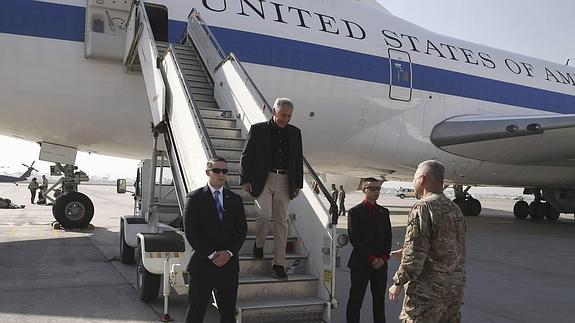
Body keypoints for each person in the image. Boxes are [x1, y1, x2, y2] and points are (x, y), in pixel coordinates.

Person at [389, 160, 466, 323]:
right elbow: (452, 248)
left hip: (428, 294)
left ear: (422, 179)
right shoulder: (455, 208)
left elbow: (414, 254)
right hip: (453, 291)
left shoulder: (423, 207)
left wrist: (398, 281)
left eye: (414, 177)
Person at [240, 97, 303, 280]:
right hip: (263, 179)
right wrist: (245, 179)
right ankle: (259, 244)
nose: (286, 119)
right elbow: (247, 155)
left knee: (282, 223)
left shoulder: (295, 133)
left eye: (289, 116)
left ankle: (279, 264)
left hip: (285, 180)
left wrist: (297, 184)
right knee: (265, 215)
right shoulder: (258, 130)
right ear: (274, 112)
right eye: (283, 115)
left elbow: (298, 159)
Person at [184, 157, 248, 323]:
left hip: (228, 266)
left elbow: (242, 230)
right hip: (202, 264)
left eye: (224, 171)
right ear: (208, 173)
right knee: (195, 313)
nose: (221, 174)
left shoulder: (235, 200)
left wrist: (228, 253)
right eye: (217, 171)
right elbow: (191, 232)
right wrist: (212, 255)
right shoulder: (194, 198)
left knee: (228, 314)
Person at [346, 177, 392, 323]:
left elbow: (388, 238)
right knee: (356, 300)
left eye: (377, 188)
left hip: (380, 265)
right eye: (372, 188)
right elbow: (355, 239)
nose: (375, 191)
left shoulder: (384, 212)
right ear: (364, 190)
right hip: (361, 263)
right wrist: (372, 259)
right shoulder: (355, 212)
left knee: (379, 301)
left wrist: (383, 259)